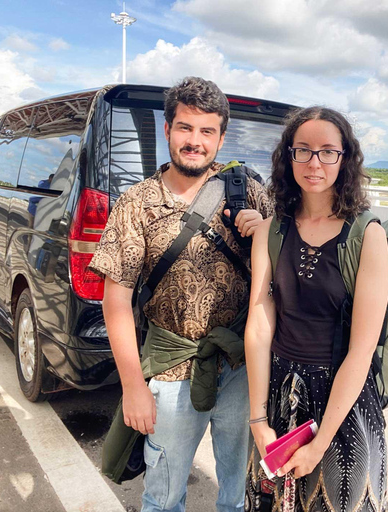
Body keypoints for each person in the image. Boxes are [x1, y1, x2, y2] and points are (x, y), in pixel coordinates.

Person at [89, 76, 273, 512]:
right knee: (164, 495)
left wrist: (264, 231)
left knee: (238, 490)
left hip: (241, 363)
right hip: (172, 368)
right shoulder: (136, 203)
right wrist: (133, 386)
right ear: (168, 128)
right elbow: (115, 301)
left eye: (207, 131)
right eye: (185, 128)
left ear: (221, 137)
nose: (195, 141)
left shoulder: (244, 190)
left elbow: (287, 267)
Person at [245, 106, 388, 511]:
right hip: (279, 393)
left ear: (345, 159)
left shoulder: (366, 235)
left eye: (328, 151)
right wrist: (258, 419)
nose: (314, 162)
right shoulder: (273, 228)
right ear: (287, 156)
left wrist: (319, 443)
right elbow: (259, 319)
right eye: (303, 150)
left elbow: (362, 350)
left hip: (342, 403)